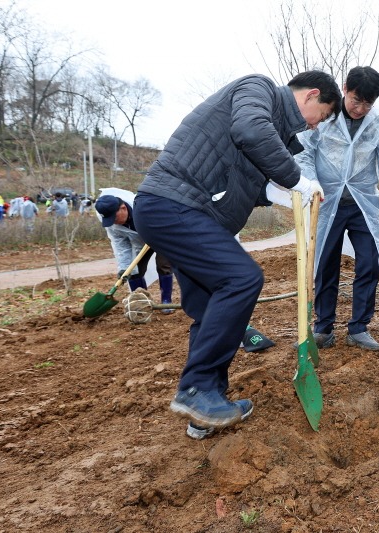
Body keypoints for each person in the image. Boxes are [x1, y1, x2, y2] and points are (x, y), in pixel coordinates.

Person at [132, 71, 341, 437]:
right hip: (175, 205)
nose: (315, 126)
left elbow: (246, 180)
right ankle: (196, 389)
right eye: (321, 115)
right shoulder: (257, 89)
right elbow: (250, 131)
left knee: (208, 308)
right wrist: (297, 179)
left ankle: (207, 406)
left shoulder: (275, 130)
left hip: (181, 211)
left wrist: (283, 192)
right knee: (242, 278)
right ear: (311, 96)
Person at [295, 66, 379, 352]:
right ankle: (323, 328)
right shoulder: (324, 116)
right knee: (324, 264)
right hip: (325, 201)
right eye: (356, 100)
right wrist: (312, 183)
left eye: (368, 103)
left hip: (362, 204)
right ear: (345, 89)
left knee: (368, 264)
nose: (360, 108)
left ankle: (358, 328)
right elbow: (304, 152)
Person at [94, 191, 177, 306]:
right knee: (133, 271)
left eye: (114, 217)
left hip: (161, 237)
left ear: (123, 208)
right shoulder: (111, 223)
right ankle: (142, 302)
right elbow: (120, 243)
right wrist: (124, 268)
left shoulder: (144, 207)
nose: (113, 222)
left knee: (163, 265)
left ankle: (166, 301)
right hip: (140, 243)